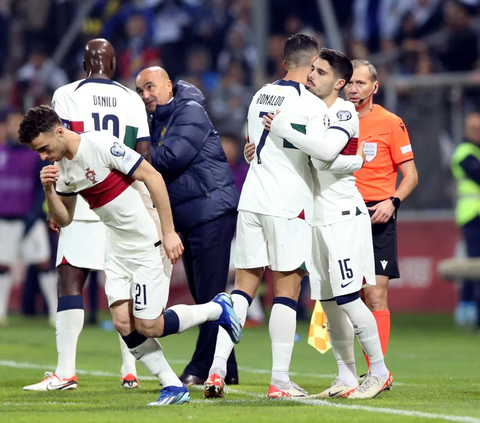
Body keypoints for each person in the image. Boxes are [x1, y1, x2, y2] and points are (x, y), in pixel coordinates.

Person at [18, 105, 242, 406]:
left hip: (147, 240)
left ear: (59, 131)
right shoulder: (62, 170)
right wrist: (49, 191)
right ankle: (172, 387)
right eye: (38, 153)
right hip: (117, 246)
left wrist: (168, 231)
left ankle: (217, 309)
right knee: (123, 323)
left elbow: (153, 177)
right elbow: (66, 219)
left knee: (150, 325)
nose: (44, 157)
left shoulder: (99, 144)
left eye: (44, 148)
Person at [23, 38, 153, 392]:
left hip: (83, 195)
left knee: (70, 279)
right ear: (113, 66)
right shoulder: (131, 98)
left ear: (84, 65)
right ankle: (131, 371)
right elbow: (144, 154)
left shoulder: (66, 93)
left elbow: (58, 146)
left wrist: (59, 198)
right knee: (123, 287)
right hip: (122, 198)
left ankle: (66, 371)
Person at [263, 48, 392, 399]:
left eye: (319, 72)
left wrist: (284, 129)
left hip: (342, 217)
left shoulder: (345, 111)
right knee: (330, 302)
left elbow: (324, 152)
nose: (310, 75)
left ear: (338, 82)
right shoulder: (311, 110)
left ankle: (378, 371)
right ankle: (347, 376)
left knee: (350, 298)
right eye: (312, 69)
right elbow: (320, 158)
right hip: (315, 218)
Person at [205, 33, 328, 399]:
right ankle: (279, 379)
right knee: (286, 290)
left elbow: (252, 145)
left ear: (284, 62)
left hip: (252, 198)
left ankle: (216, 369)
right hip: (288, 202)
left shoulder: (260, 94)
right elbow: (320, 156)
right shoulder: (312, 104)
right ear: (311, 65)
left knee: (242, 288)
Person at [135, 67, 239, 386]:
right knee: (204, 295)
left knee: (209, 295)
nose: (145, 95)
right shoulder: (157, 120)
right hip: (192, 213)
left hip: (211, 209)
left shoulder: (190, 110)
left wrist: (134, 152)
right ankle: (227, 366)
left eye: (150, 87)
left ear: (168, 85)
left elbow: (171, 157)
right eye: (140, 91)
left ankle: (200, 366)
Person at [344, 60, 418, 368]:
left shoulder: (391, 122)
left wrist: (393, 202)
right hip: (343, 213)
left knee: (375, 295)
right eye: (349, 82)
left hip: (378, 214)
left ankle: (377, 371)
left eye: (360, 83)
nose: (353, 88)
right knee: (347, 297)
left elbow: (411, 175)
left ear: (374, 87)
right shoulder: (333, 118)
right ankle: (346, 370)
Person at [0, 109, 56, 326]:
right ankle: (2, 313)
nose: (14, 128)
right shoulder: (2, 152)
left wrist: (33, 216)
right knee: (3, 266)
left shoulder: (35, 155)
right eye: (11, 122)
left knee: (43, 263)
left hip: (30, 220)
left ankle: (54, 312)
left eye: (18, 123)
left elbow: (41, 189)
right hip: (5, 219)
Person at [451, 112, 480, 330]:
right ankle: (469, 311)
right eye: (474, 129)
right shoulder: (464, 153)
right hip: (472, 215)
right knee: (473, 264)